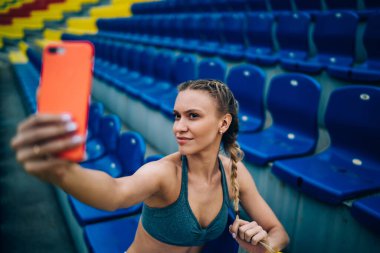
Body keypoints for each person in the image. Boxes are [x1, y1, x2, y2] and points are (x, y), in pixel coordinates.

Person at [11, 79, 289, 253]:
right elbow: (115, 193)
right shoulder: (164, 173)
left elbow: (279, 233)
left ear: (223, 123)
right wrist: (64, 172)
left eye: (193, 116)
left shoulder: (233, 173)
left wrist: (264, 246)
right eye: (177, 116)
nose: (179, 127)